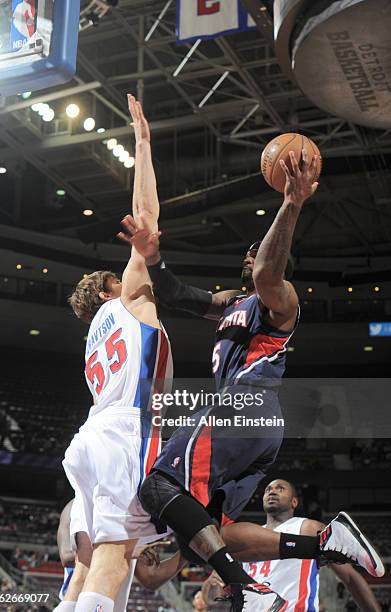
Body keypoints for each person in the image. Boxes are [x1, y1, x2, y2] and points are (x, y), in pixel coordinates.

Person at [119, 150, 384, 611]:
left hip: (245, 405)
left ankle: (248, 587)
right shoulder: (230, 303)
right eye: (248, 251)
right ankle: (325, 543)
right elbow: (177, 295)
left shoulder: (281, 301)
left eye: (258, 252)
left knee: (157, 485)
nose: (250, 255)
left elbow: (267, 270)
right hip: (259, 426)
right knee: (217, 531)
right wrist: (153, 257)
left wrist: (292, 204)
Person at [58, 95, 173, 612]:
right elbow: (146, 215)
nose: (129, 270)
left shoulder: (92, 339)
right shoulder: (127, 296)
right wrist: (143, 144)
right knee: (115, 552)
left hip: (91, 439)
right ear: (109, 288)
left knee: (91, 566)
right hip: (127, 430)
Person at [202, 479, 381, 611]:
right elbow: (210, 599)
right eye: (268, 489)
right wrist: (214, 581)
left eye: (280, 489)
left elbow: (349, 577)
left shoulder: (307, 527)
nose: (272, 492)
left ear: (294, 502)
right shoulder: (247, 536)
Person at [55, 497, 186, 610]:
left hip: (109, 605)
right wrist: (129, 550)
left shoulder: (128, 508)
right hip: (78, 602)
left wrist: (188, 551)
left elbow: (150, 578)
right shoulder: (76, 505)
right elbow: (67, 556)